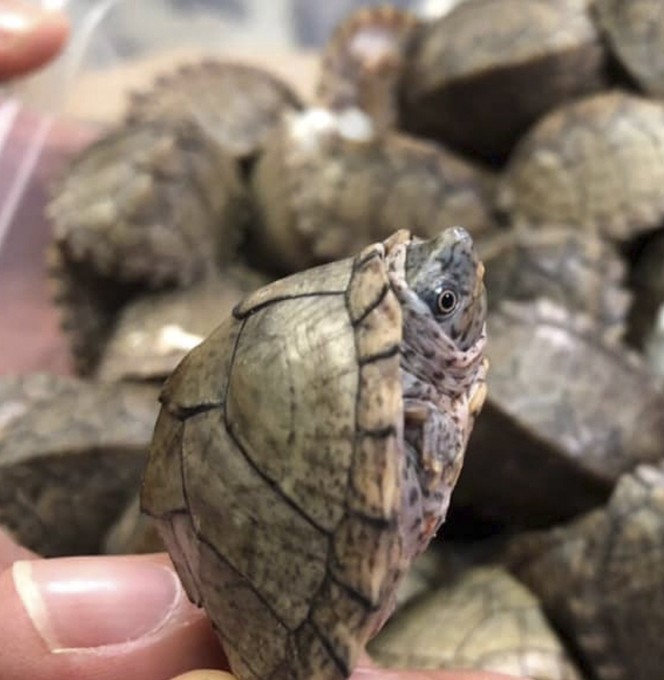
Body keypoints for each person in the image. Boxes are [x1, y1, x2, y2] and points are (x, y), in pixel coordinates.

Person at [0, 3, 513, 679]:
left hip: (233, 509)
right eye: (442, 304)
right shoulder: (372, 365)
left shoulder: (366, 352)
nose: (451, 252)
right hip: (254, 540)